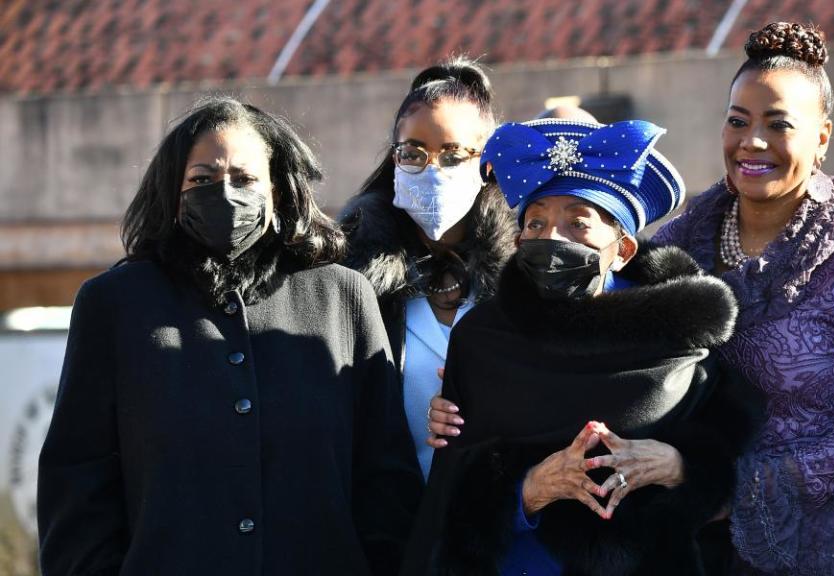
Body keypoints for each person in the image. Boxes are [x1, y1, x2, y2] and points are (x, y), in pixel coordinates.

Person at [37, 97, 421, 575]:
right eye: (202, 179)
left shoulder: (343, 297)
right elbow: (77, 478)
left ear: (278, 190)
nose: (224, 193)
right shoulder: (114, 304)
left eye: (244, 179)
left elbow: (385, 477)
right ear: (173, 192)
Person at [404, 118, 762, 576]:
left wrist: (677, 465)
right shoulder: (482, 340)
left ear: (624, 249)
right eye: (536, 222)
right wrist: (530, 490)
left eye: (578, 223)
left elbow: (731, 464)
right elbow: (450, 495)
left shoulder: (679, 339)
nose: (552, 238)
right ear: (518, 241)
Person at [650, 22, 834, 575]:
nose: (751, 142)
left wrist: (754, 482)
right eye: (738, 121)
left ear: (823, 137)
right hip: (691, 544)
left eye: (778, 124)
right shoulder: (674, 247)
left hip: (833, 547)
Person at [340, 58, 515, 482]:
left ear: (486, 163)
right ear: (394, 159)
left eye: (454, 153)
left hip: (494, 515)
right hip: (383, 523)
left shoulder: (519, 276)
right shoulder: (350, 276)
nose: (432, 169)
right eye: (413, 153)